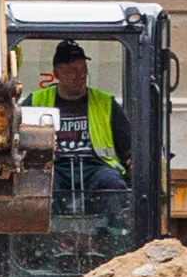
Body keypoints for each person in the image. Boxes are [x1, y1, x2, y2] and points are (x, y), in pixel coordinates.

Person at [26, 39, 129, 193]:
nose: (79, 75)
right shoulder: (36, 101)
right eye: (70, 70)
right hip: (55, 166)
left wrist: (131, 160)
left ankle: (112, 218)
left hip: (95, 166)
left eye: (82, 68)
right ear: (56, 74)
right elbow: (19, 139)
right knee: (40, 185)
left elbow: (128, 146)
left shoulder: (105, 102)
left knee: (111, 183)